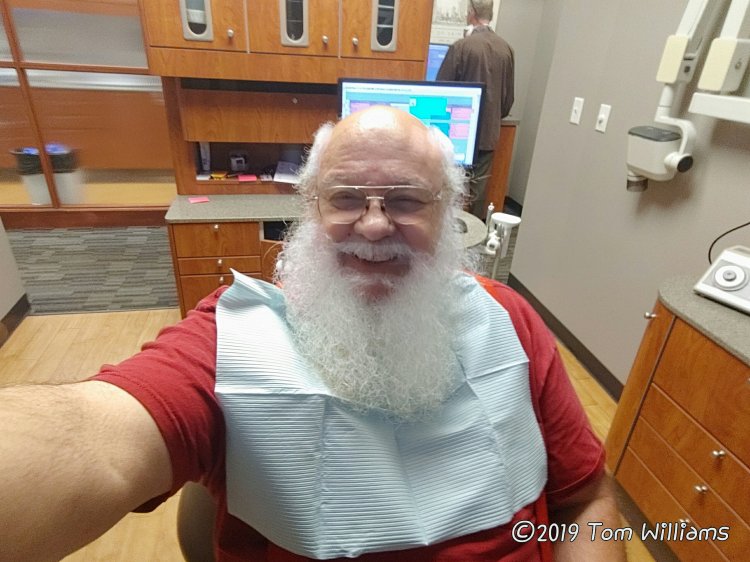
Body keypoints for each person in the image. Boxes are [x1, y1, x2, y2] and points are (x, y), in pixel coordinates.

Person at [0, 106, 625, 562]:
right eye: (345, 197)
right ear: (310, 209)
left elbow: (586, 500)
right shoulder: (230, 339)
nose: (374, 225)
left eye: (407, 200)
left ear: (447, 213)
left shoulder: (507, 317)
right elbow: (95, 439)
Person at [437, 0, 515, 218]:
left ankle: (446, 228)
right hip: (488, 133)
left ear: (471, 13)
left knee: (449, 185)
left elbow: (441, 90)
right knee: (478, 192)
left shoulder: (461, 47)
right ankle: (476, 230)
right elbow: (508, 99)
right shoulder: (506, 49)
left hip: (457, 132)